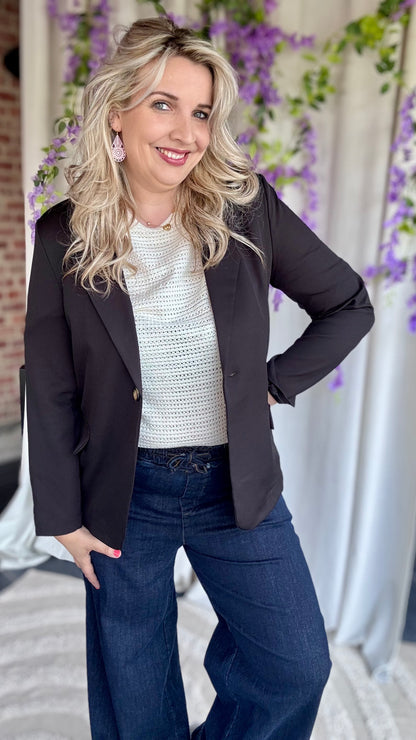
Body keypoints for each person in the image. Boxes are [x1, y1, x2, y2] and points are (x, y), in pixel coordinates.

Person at [24, 16, 374, 740]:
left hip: (234, 483)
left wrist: (272, 384)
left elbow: (348, 304)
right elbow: (51, 380)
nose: (187, 131)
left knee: (294, 666)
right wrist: (61, 515)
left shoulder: (247, 209)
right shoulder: (64, 233)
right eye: (164, 104)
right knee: (135, 697)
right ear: (117, 112)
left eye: (203, 112)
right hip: (123, 492)